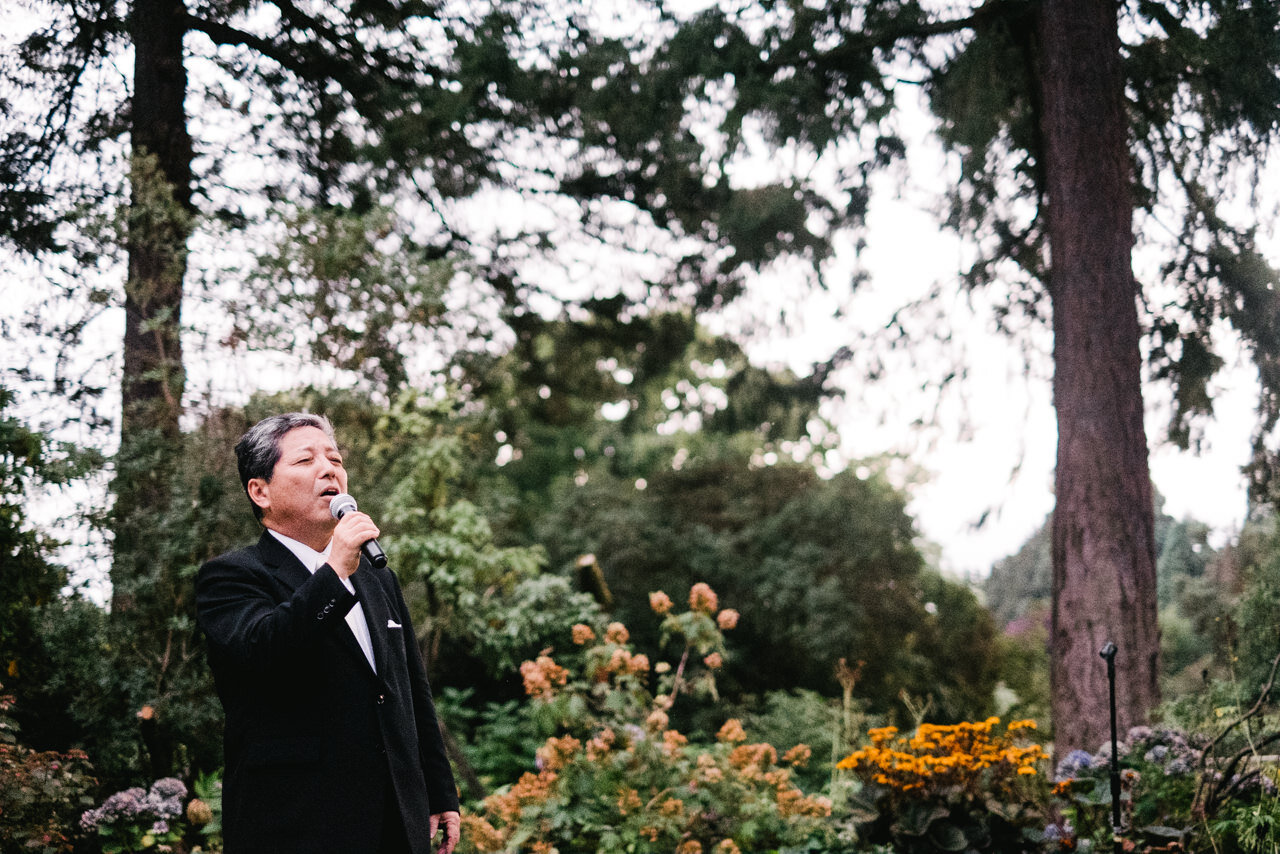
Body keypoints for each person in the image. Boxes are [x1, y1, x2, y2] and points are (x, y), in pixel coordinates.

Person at [196, 412, 461, 854]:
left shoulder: (377, 577)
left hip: (395, 819)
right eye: (305, 460)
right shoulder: (231, 577)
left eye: (334, 458)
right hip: (298, 823)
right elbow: (266, 651)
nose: (329, 469)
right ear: (259, 491)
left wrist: (438, 789)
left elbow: (411, 689)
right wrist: (335, 571)